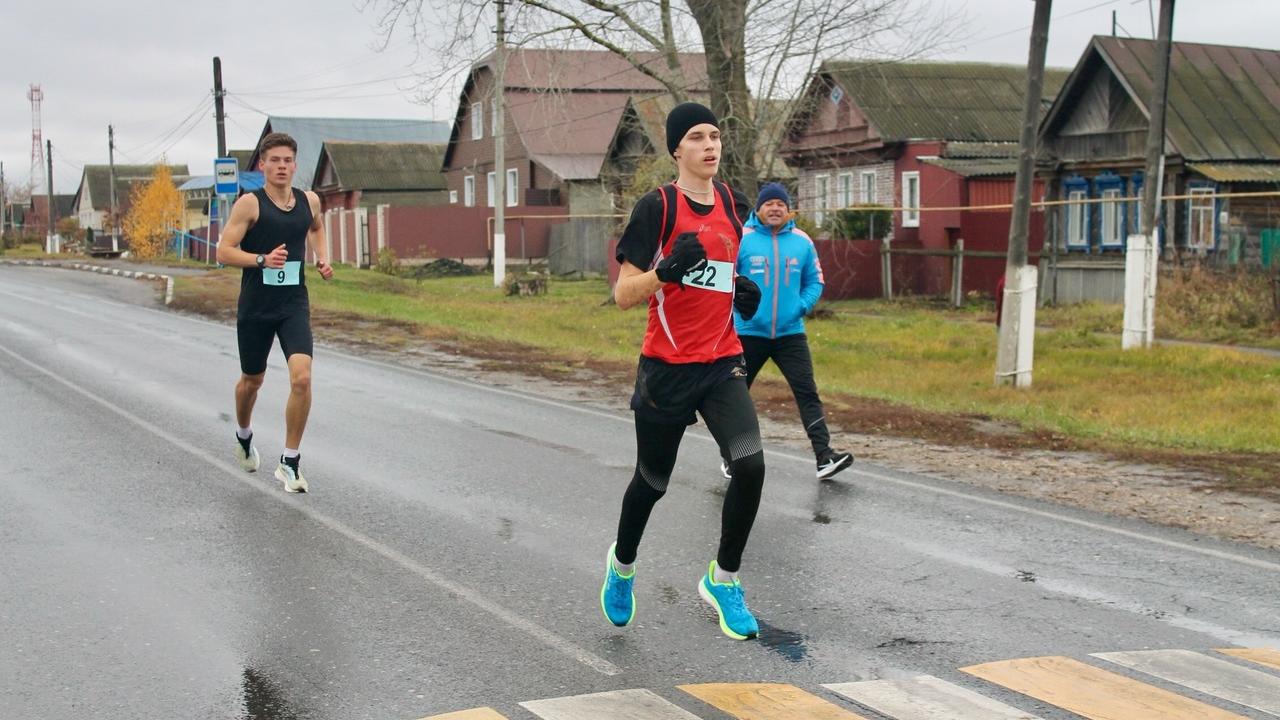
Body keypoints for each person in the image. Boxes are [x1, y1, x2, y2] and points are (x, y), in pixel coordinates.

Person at [600, 102, 766, 641]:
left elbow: (723, 271)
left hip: (721, 361)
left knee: (750, 465)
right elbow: (623, 295)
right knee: (652, 482)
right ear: (677, 149)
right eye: (697, 137)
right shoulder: (658, 207)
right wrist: (664, 273)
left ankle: (725, 579)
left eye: (715, 135)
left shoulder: (734, 205)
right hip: (667, 368)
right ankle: (622, 567)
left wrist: (742, 291)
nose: (710, 145)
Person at [215, 132, 333, 493]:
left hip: (293, 304)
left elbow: (316, 227)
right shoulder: (250, 204)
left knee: (302, 378)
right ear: (262, 165)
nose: (281, 166)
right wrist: (261, 259)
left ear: (295, 165)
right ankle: (244, 434)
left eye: (287, 160)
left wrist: (322, 256)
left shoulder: (309, 200)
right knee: (252, 381)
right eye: (275, 160)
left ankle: (290, 461)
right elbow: (223, 251)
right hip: (256, 307)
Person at [726, 182, 855, 481]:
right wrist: (737, 306)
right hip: (748, 333)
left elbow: (815, 281)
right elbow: (726, 279)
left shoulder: (802, 242)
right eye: (769, 204)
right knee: (735, 397)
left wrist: (800, 306)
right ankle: (731, 458)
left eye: (780, 205)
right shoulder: (742, 239)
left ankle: (825, 457)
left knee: (807, 391)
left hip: (790, 334)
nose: (775, 209)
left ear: (788, 210)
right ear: (758, 209)